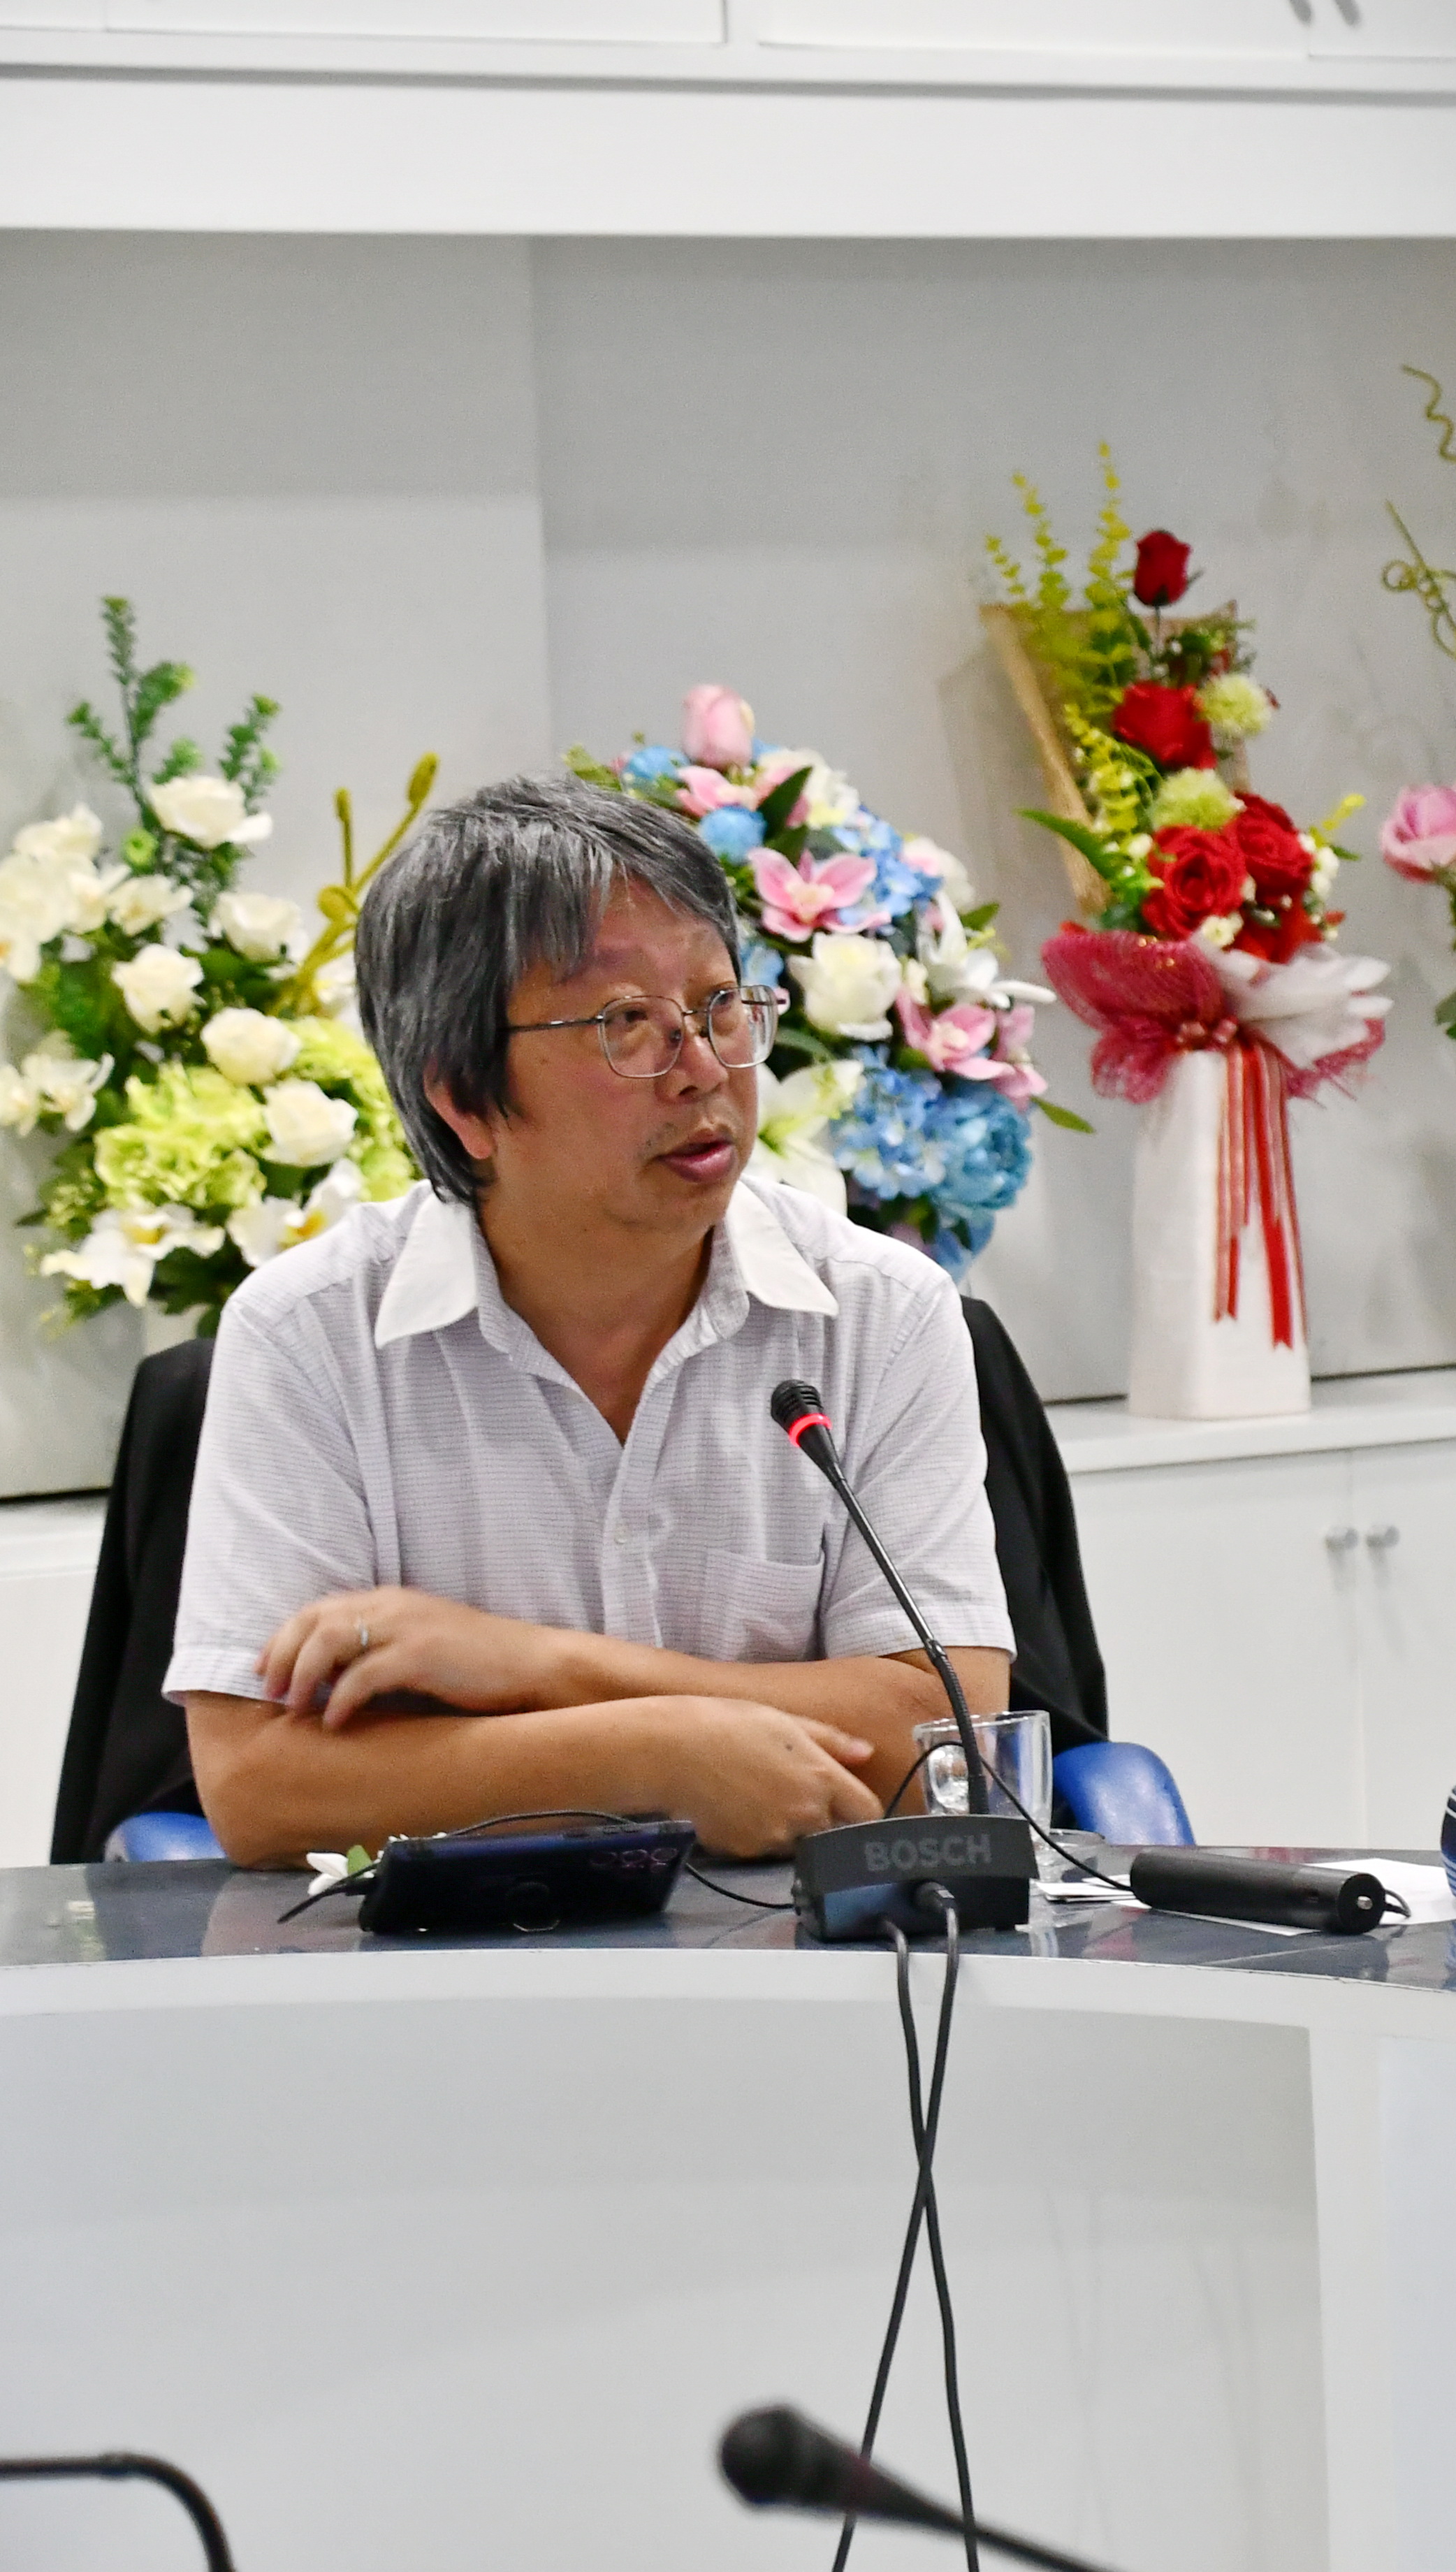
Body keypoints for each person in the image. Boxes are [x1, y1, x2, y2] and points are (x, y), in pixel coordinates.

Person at [171, 773, 1012, 1863]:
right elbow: (258, 1785)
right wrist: (649, 1756)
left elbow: (947, 1740)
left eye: (719, 1007)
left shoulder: (878, 1313)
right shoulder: (309, 1335)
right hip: (454, 1955)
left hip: (811, 1947)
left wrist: (533, 1667)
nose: (703, 1070)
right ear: (462, 1097)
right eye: (627, 1024)